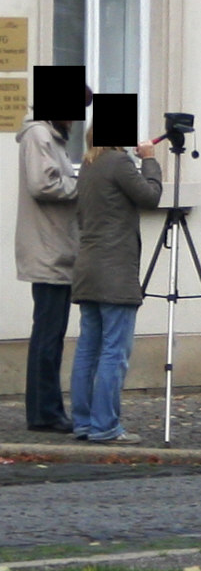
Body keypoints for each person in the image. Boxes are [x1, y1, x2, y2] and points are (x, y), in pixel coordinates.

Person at [69, 125, 162, 444]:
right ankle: (105, 425)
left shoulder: (88, 164)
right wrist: (149, 160)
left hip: (88, 268)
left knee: (88, 349)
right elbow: (150, 197)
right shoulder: (118, 163)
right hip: (115, 271)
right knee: (113, 351)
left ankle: (83, 421)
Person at [15, 118, 79, 433]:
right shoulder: (40, 134)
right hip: (48, 249)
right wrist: (83, 187)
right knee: (47, 337)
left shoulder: (53, 137)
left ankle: (47, 411)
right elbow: (42, 185)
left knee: (50, 336)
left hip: (55, 248)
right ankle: (45, 413)